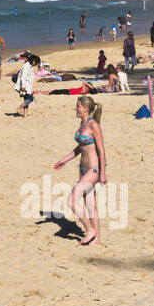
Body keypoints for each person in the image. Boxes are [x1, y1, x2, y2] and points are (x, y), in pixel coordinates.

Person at [52, 95, 108, 246]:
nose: (75, 108)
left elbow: (101, 151)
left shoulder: (93, 125)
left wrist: (102, 173)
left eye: (77, 106)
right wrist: (65, 159)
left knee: (71, 200)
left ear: (85, 108)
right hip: (82, 169)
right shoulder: (82, 124)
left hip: (93, 170)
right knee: (90, 204)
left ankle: (90, 230)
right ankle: (97, 239)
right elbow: (80, 147)